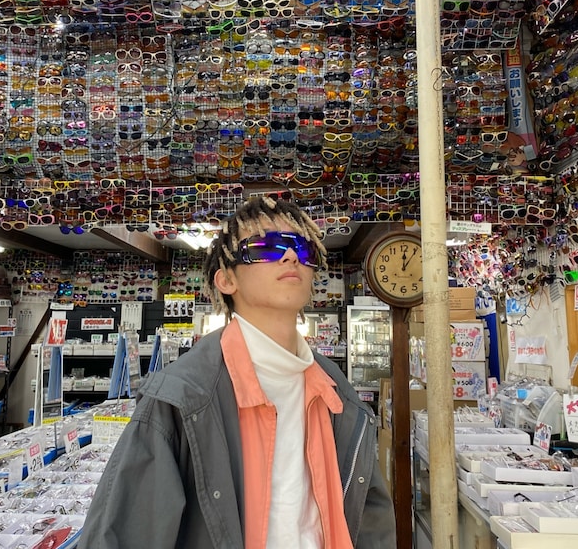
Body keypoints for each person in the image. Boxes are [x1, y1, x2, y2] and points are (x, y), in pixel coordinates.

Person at [78, 196, 396, 549]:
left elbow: (368, 517)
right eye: (266, 247)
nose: (291, 256)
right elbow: (125, 532)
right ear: (226, 281)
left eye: (302, 249)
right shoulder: (180, 398)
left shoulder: (337, 390)